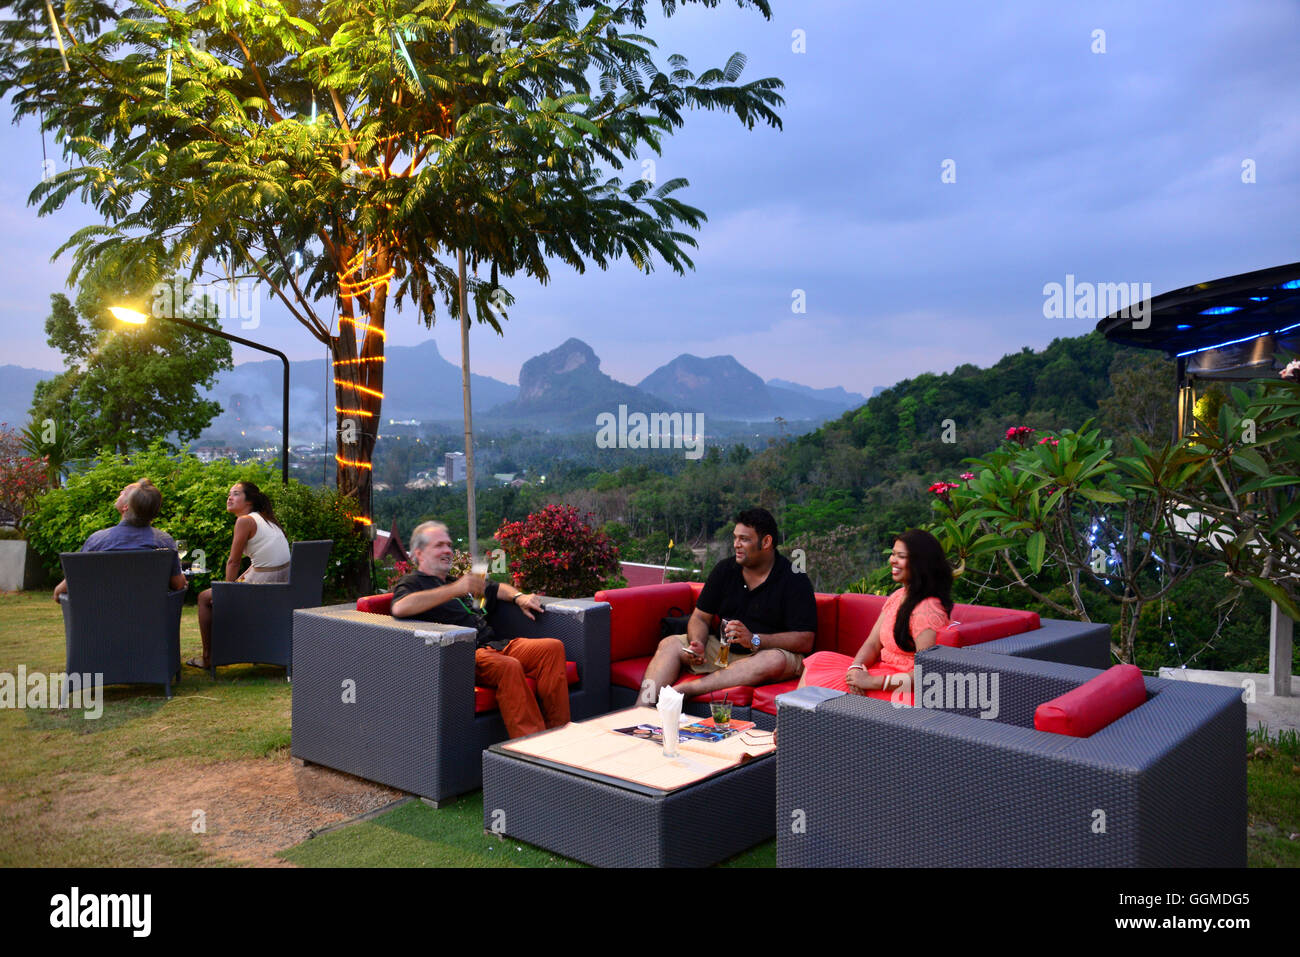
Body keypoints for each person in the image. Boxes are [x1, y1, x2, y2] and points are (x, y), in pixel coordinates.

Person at [390, 520, 568, 739]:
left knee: (551, 648)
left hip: (495, 645)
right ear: (419, 553)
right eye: (439, 545)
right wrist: (454, 590)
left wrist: (518, 597)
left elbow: (495, 589)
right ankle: (532, 747)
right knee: (509, 667)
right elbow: (400, 606)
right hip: (465, 655)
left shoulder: (459, 583)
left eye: (448, 545)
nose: (447, 550)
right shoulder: (413, 583)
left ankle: (559, 734)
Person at [640, 508, 817, 705]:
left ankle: (688, 690)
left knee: (773, 661)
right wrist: (697, 643)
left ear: (766, 542)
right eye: (735, 538)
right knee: (670, 645)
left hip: (768, 653)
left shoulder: (794, 579)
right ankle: (641, 708)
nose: (736, 545)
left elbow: (805, 640)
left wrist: (754, 639)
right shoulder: (725, 569)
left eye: (744, 539)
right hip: (723, 649)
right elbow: (700, 617)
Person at [798, 529, 953, 703]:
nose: (892, 560)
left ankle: (790, 726)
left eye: (900, 556)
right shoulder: (899, 596)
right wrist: (855, 668)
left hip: (904, 689)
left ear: (921, 562)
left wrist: (871, 681)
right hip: (881, 672)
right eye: (893, 554)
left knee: (819, 686)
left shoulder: (928, 609)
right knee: (820, 660)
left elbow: (927, 673)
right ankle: (789, 725)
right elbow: (872, 643)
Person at [189, 481, 292, 670]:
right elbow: (259, 564)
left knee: (204, 598)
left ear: (249, 500)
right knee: (215, 593)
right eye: (229, 493)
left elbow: (233, 562)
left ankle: (208, 657)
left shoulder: (245, 521)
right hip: (280, 587)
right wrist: (235, 584)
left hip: (264, 587)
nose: (229, 497)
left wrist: (228, 593)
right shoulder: (266, 519)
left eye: (236, 494)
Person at [51, 479, 187, 601]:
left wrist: (58, 592)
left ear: (125, 507)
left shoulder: (98, 541)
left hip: (101, 623)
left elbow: (72, 583)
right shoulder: (164, 542)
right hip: (149, 623)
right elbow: (178, 584)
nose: (121, 492)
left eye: (124, 493)